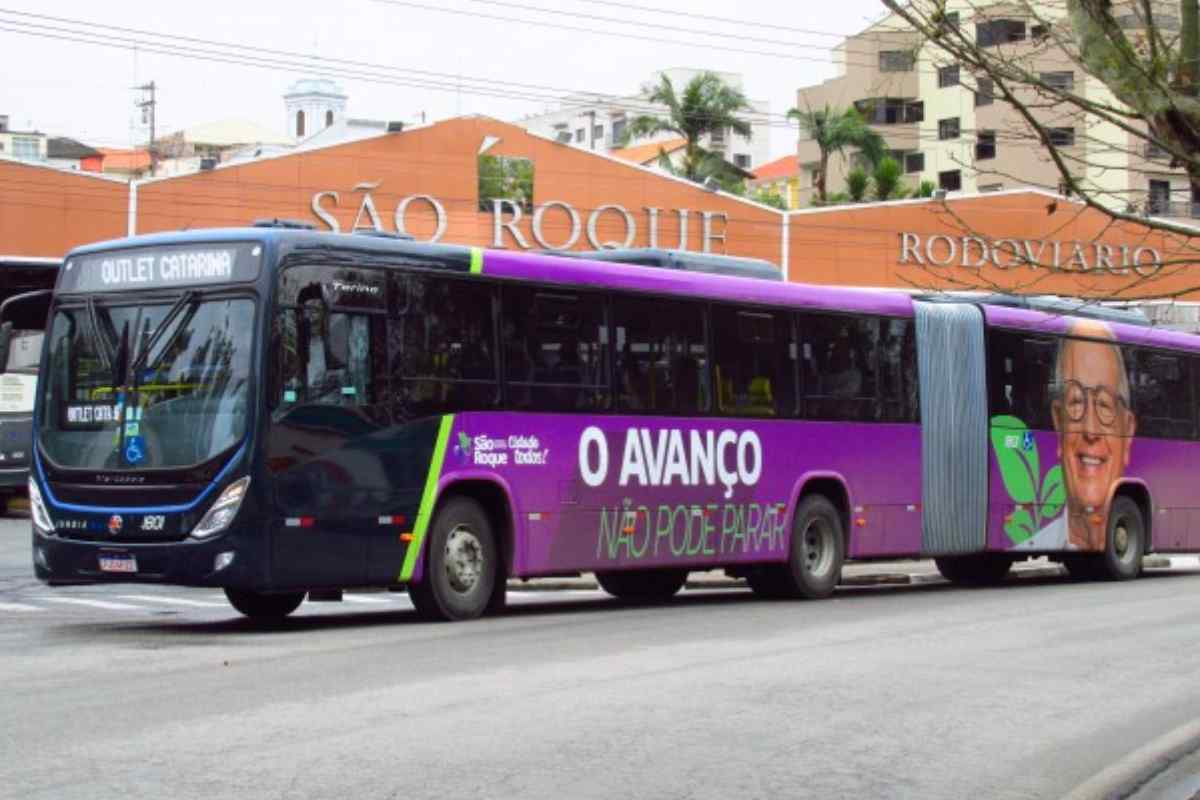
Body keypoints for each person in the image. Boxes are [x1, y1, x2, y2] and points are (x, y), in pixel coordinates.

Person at [1018, 319, 1136, 551]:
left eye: (1104, 405)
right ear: (1057, 420)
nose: (1090, 431)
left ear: (1128, 430)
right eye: (1076, 402)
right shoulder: (1033, 540)